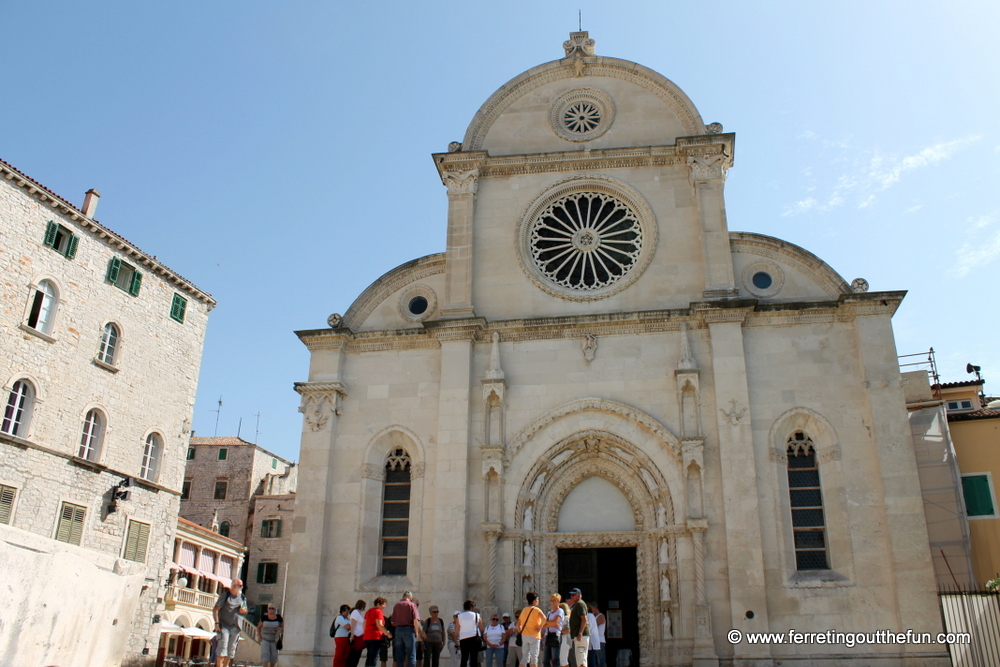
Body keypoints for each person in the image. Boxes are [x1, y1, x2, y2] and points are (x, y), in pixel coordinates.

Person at [212, 578, 248, 667]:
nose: (242, 587)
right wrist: (216, 623)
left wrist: (243, 610)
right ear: (234, 586)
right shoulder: (225, 595)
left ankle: (226, 665)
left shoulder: (242, 597)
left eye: (242, 586)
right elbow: (216, 609)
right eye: (240, 586)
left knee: (231, 649)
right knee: (223, 646)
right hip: (224, 625)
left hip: (236, 626)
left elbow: (245, 611)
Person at [390, 591, 423, 667]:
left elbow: (392, 621)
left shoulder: (396, 605)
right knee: (411, 654)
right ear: (410, 598)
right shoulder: (412, 605)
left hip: (398, 630)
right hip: (409, 630)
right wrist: (417, 632)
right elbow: (415, 620)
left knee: (399, 654)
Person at [516, 592, 545, 667]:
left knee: (525, 657)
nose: (538, 601)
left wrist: (520, 630)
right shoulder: (537, 610)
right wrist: (541, 626)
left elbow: (518, 623)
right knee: (534, 657)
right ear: (534, 600)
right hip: (534, 635)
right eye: (537, 599)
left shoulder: (524, 610)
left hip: (525, 635)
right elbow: (544, 618)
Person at [455, 599, 484, 667]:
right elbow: (482, 628)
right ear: (471, 607)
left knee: (464, 658)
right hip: (474, 638)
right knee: (474, 658)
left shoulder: (459, 616)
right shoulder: (477, 615)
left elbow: (456, 629)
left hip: (463, 639)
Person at [364, 597, 392, 667]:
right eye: (383, 604)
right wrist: (388, 633)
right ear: (378, 604)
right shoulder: (378, 611)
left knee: (369, 656)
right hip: (375, 636)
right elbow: (379, 625)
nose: (384, 606)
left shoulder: (368, 611)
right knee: (374, 656)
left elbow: (364, 624)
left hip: (367, 636)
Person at [565, 590, 588, 667]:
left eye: (573, 595)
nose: (571, 596)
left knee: (581, 659)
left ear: (579, 595)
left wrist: (580, 633)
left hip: (581, 635)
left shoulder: (579, 604)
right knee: (579, 658)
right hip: (577, 635)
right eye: (571, 595)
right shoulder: (576, 605)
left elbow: (584, 619)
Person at [543, 595, 564, 667]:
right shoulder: (549, 613)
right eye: (551, 601)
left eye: (554, 600)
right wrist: (551, 623)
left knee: (555, 658)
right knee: (545, 659)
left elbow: (556, 621)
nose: (552, 602)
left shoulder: (560, 611)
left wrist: (549, 623)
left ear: (558, 601)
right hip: (548, 636)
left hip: (556, 635)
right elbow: (544, 624)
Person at [347, 600, 368, 667]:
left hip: (359, 636)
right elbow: (353, 623)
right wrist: (352, 635)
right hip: (356, 636)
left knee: (356, 656)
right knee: (353, 656)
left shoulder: (358, 613)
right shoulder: (355, 612)